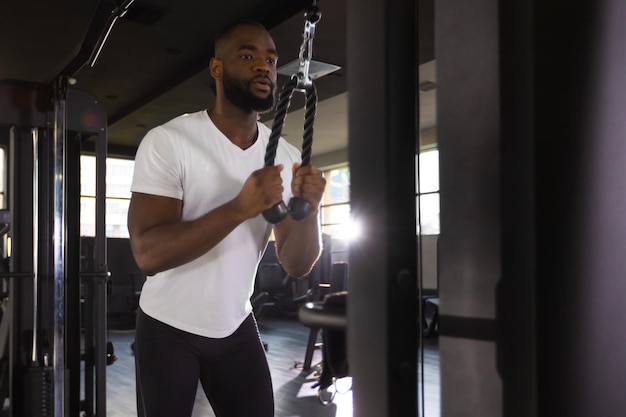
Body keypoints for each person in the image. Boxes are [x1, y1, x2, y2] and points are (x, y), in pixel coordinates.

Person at [127, 20, 326, 417]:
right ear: (216, 69)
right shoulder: (169, 141)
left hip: (236, 326)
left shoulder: (284, 154)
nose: (264, 67)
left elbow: (297, 263)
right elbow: (148, 254)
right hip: (168, 327)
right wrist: (239, 208)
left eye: (270, 59)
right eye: (248, 55)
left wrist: (311, 210)